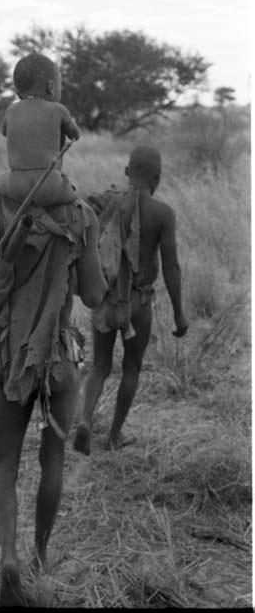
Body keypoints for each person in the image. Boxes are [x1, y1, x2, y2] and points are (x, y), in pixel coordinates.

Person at [0, 177, 107, 606]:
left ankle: (9, 556)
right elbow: (94, 295)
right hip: (59, 353)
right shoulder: (80, 215)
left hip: (10, 356)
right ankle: (41, 555)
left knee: (3, 465)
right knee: (52, 461)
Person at [73, 145, 188, 456]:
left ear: (127, 173)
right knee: (132, 368)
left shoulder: (110, 202)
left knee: (99, 365)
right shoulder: (163, 213)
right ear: (158, 177)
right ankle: (114, 435)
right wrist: (179, 313)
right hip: (138, 302)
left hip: (106, 298)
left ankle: (84, 419)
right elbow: (171, 266)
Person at [0, 52, 80, 207]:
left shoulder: (11, 110)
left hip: (16, 186)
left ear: (18, 93)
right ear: (51, 87)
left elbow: (5, 132)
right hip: (50, 185)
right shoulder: (58, 110)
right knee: (73, 192)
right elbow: (75, 135)